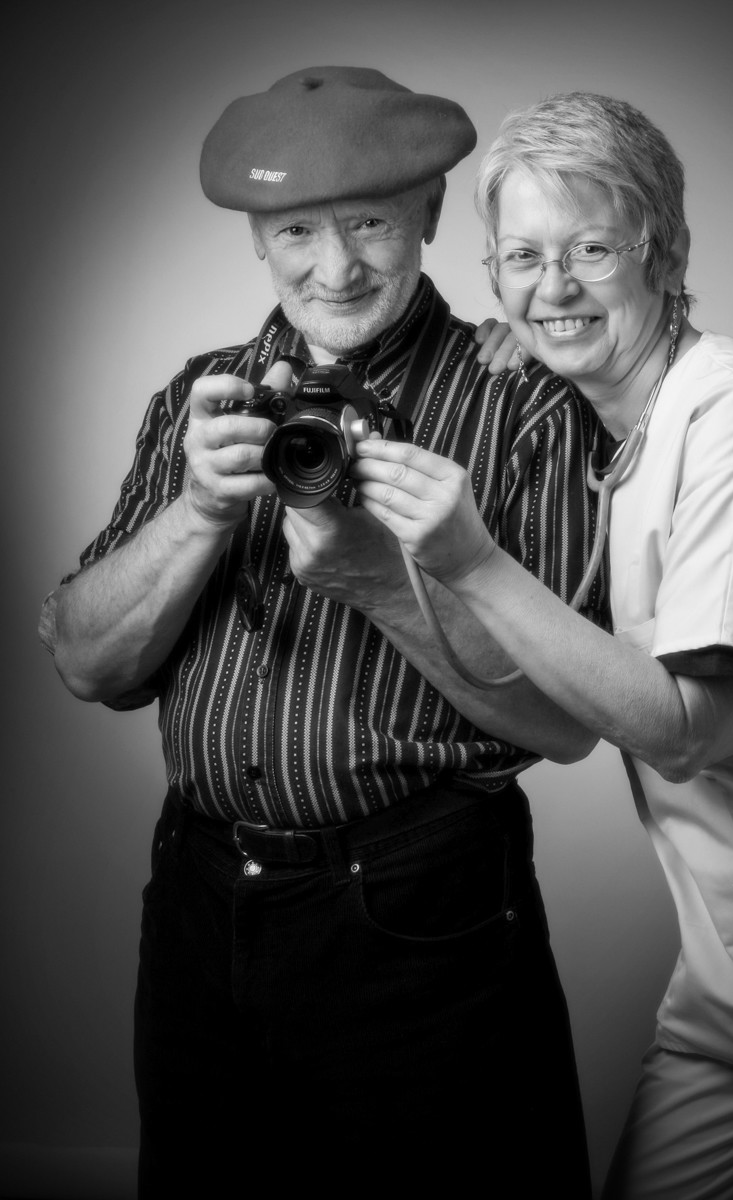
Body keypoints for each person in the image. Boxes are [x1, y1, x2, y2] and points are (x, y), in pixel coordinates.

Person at [39, 69, 599, 1198]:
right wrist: (197, 510)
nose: (333, 269)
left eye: (369, 225)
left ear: (433, 215)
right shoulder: (202, 399)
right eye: (297, 229)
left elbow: (561, 724)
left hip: (416, 913)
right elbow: (87, 661)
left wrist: (384, 586)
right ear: (256, 235)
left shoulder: (525, 400)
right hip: (197, 900)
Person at [353, 92, 733, 1198]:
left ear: (664, 249)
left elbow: (686, 730)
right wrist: (537, 343)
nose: (553, 287)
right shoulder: (616, 428)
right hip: (729, 971)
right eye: (522, 258)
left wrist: (469, 563)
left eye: (591, 249)